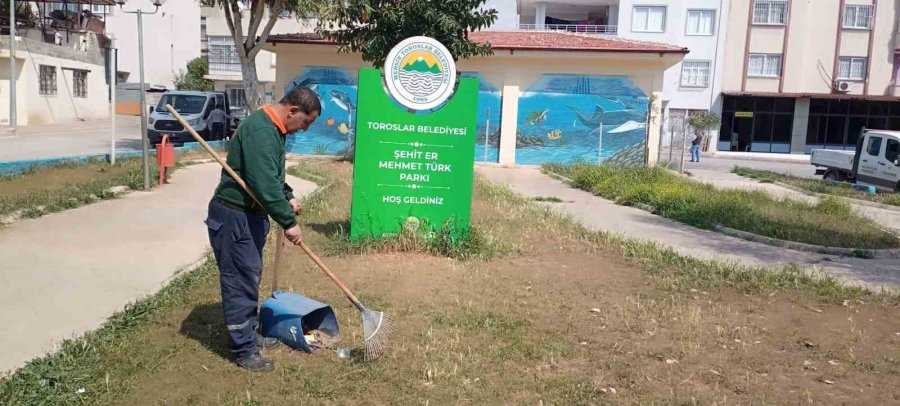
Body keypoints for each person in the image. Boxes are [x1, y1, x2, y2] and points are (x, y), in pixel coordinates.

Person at [205, 87, 320, 372]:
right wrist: (289, 223)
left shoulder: (274, 130)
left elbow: (271, 175)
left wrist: (287, 194)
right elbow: (263, 184)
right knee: (239, 281)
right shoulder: (261, 130)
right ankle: (244, 350)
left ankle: (248, 333)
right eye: (306, 122)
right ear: (293, 111)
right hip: (234, 216)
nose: (305, 129)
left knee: (250, 277)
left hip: (250, 215)